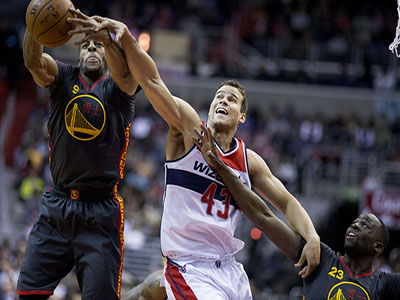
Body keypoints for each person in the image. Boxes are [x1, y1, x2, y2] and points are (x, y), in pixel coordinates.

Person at [68, 14, 320, 299]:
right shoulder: (189, 130)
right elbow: (151, 82)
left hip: (229, 268)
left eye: (231, 99)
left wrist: (312, 236)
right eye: (219, 96)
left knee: (150, 290)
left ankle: (146, 290)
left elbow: (286, 202)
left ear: (242, 117)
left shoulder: (249, 161)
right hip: (187, 266)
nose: (222, 100)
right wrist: (125, 37)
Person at [194, 125, 400, 300]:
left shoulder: (385, 284)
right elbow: (264, 218)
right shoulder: (321, 258)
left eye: (365, 225)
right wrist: (221, 168)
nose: (355, 225)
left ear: (378, 246)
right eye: (356, 221)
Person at [17, 9, 139, 300]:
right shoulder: (63, 79)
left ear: (107, 55)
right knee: (27, 294)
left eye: (97, 45)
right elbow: (33, 62)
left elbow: (128, 75)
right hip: (57, 206)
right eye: (87, 46)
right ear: (78, 54)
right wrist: (34, 26)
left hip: (100, 211)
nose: (92, 48)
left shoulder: (118, 90)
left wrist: (106, 38)